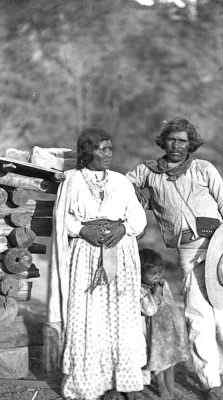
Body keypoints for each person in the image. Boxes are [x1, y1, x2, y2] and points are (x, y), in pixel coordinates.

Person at [127, 118, 223, 400]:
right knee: (197, 314)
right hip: (188, 249)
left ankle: (222, 370)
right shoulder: (150, 172)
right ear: (163, 141)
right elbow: (122, 183)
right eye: (172, 140)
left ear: (190, 143)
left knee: (219, 311)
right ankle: (210, 384)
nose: (177, 146)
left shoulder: (204, 169)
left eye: (183, 141)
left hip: (219, 245)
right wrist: (138, 193)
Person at [48, 128, 147, 400]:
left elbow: (139, 220)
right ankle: (92, 385)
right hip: (86, 258)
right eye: (102, 148)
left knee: (122, 317)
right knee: (89, 317)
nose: (108, 154)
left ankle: (125, 383)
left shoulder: (121, 182)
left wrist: (122, 228)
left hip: (120, 255)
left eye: (110, 148)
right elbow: (61, 219)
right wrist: (82, 230)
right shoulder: (72, 181)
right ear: (86, 152)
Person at [139, 248, 188, 400]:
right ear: (140, 272)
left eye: (160, 272)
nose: (157, 276)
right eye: (153, 273)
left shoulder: (162, 284)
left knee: (170, 361)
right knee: (158, 363)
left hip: (167, 330)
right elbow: (149, 310)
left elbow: (170, 304)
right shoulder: (141, 290)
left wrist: (178, 324)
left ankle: (171, 391)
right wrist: (155, 293)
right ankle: (162, 388)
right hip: (152, 333)